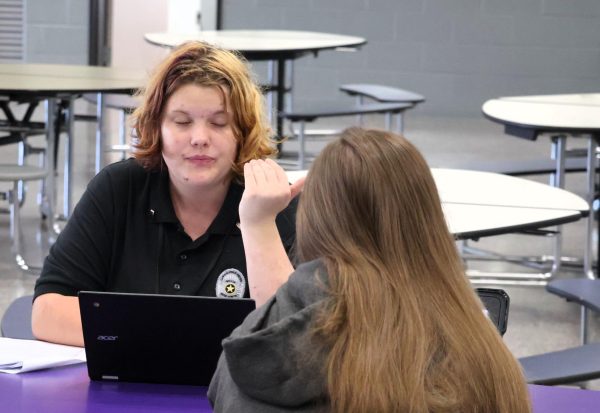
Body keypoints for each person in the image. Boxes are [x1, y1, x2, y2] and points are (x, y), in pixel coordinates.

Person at [208, 127, 531, 413]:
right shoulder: (478, 346)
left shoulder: (261, 350)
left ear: (315, 217)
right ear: (426, 216)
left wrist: (258, 222)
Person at [31, 41, 302, 347]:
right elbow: (47, 311)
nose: (200, 138)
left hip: (235, 393)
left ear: (243, 132)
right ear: (156, 127)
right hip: (127, 389)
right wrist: (169, 338)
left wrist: (259, 224)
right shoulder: (119, 189)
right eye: (182, 122)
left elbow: (293, 339)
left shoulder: (278, 203)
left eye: (219, 123)